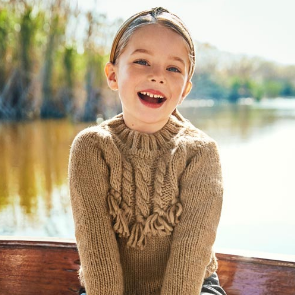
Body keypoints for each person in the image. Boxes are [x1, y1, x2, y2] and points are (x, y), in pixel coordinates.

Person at [68, 7, 226, 295]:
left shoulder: (201, 153)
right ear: (113, 75)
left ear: (185, 89)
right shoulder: (91, 148)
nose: (158, 76)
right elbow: (96, 249)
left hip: (191, 287)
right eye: (142, 61)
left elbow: (191, 253)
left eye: (173, 68)